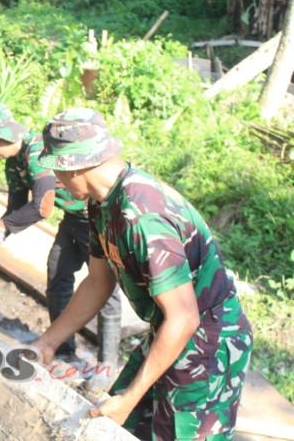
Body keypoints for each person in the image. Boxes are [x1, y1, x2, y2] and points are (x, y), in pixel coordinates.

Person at [31, 107, 252, 440]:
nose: (56, 181)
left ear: (77, 165)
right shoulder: (100, 203)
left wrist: (130, 398)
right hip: (170, 328)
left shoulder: (142, 216)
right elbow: (97, 282)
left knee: (172, 431)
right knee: (128, 424)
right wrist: (46, 343)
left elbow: (184, 317)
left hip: (208, 339)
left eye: (57, 171)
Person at [0, 105, 121, 364]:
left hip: (96, 219)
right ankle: (62, 352)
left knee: (106, 289)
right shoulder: (13, 163)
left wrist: (2, 229)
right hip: (73, 219)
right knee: (58, 276)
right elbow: (16, 209)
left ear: (2, 137)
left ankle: (107, 366)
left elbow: (43, 206)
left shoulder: (37, 151)